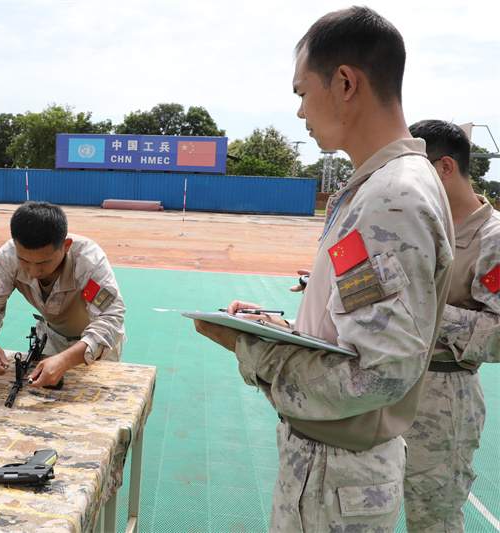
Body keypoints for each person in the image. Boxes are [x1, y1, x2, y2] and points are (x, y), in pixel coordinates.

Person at [194, 6, 455, 532]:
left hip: (337, 480)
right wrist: (285, 332)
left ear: (344, 83)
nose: (299, 112)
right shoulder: (386, 184)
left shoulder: (391, 197)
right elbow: (359, 337)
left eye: (301, 92)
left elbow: (379, 375)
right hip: (333, 473)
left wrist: (253, 349)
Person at [402, 120, 500, 532]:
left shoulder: (491, 238)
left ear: (444, 168)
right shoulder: (421, 226)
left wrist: (420, 308)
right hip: (393, 386)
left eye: (413, 170)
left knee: (432, 522)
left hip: (443, 400)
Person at [0, 201, 125, 388]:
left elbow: (111, 319)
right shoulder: (8, 256)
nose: (33, 272)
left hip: (96, 344)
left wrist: (65, 360)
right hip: (52, 338)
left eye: (44, 262)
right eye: (24, 260)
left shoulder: (88, 260)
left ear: (66, 246)